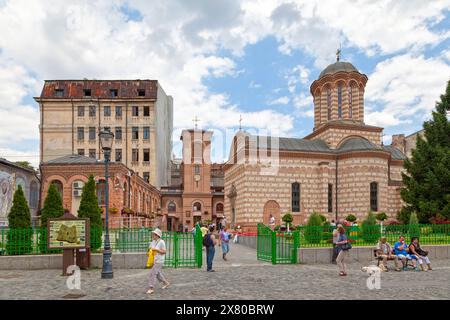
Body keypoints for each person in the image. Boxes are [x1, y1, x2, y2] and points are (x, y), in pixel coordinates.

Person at [146, 228, 170, 294]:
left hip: (159, 260)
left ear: (157, 235)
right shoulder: (153, 242)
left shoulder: (161, 242)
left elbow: (164, 251)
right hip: (154, 260)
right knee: (157, 274)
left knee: (152, 273)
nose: (152, 236)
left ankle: (151, 288)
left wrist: (157, 250)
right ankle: (166, 283)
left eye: (153, 235)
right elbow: (150, 249)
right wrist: (148, 252)